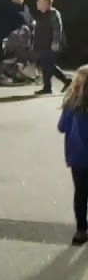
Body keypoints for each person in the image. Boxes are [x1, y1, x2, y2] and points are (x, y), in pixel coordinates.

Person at [57, 66, 88, 245]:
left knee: (81, 193)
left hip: (77, 156)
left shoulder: (71, 104)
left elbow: (61, 127)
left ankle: (81, 230)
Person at [33, 0, 70, 95]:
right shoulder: (42, 15)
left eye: (39, 1)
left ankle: (48, 88)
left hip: (51, 45)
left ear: (45, 2)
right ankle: (64, 82)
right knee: (48, 66)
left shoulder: (53, 13)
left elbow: (57, 29)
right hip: (44, 45)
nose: (37, 3)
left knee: (48, 65)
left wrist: (55, 43)